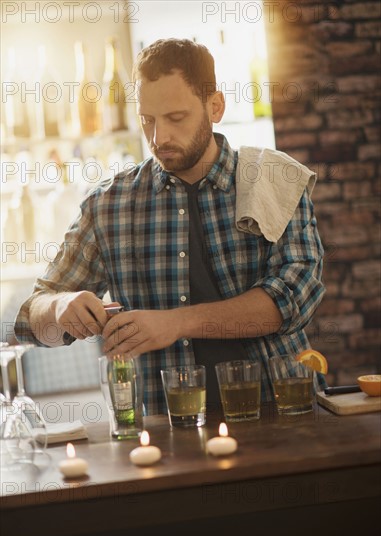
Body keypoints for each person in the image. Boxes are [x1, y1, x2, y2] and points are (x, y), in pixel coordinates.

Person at [14, 38, 325, 415]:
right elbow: (31, 319)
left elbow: (294, 298)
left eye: (176, 118)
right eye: (148, 120)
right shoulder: (108, 206)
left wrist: (176, 323)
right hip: (165, 433)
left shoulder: (273, 180)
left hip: (281, 413)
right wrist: (61, 304)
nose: (158, 138)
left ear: (216, 107)